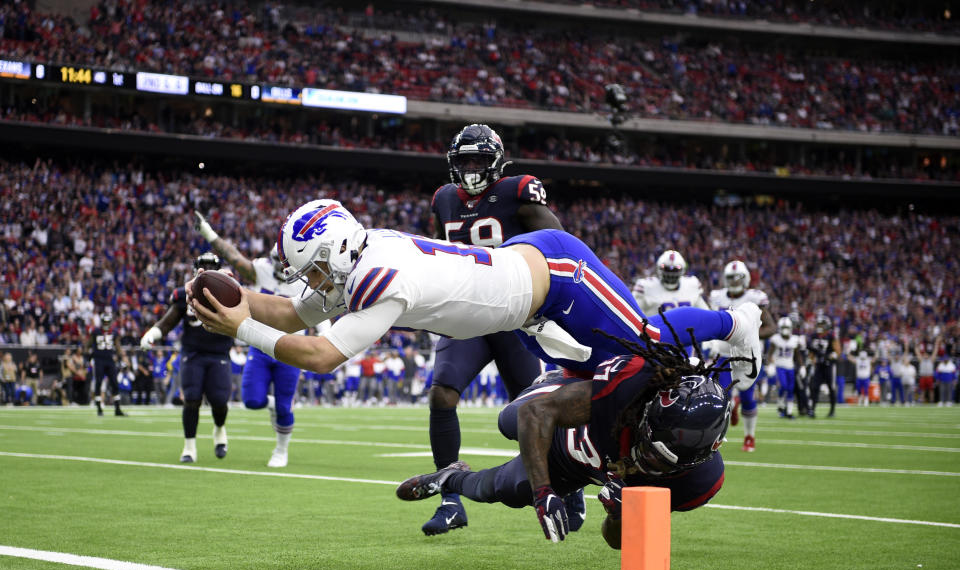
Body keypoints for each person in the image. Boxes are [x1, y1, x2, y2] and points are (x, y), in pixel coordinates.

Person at [188, 200, 763, 411]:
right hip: (526, 295)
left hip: (558, 276)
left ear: (336, 251)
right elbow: (290, 314)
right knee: (604, 384)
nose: (310, 281)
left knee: (644, 339)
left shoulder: (381, 277)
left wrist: (240, 327)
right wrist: (227, 302)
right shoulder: (359, 257)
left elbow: (318, 355)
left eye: (312, 267)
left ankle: (739, 323)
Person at [396, 329, 730, 546]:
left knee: (506, 490)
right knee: (509, 420)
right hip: (569, 421)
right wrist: (543, 494)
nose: (644, 458)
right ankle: (553, 384)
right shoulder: (631, 387)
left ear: (694, 460)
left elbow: (618, 542)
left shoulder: (698, 482)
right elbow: (535, 414)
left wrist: (619, 513)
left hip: (579, 466)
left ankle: (450, 479)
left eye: (658, 459)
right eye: (647, 441)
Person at [421, 123, 566, 536]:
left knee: (529, 412)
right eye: (463, 161)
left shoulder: (516, 190)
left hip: (511, 314)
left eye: (478, 160)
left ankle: (565, 487)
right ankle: (450, 499)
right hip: (465, 313)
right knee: (442, 393)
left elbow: (559, 241)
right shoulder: (444, 199)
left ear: (496, 163)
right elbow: (439, 254)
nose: (470, 169)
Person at [194, 210, 308, 468]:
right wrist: (208, 233)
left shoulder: (306, 281)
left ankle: (281, 449)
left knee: (285, 407)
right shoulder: (262, 271)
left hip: (292, 347)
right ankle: (273, 406)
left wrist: (325, 333)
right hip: (261, 344)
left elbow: (321, 312)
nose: (280, 269)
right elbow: (233, 257)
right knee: (252, 400)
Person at [140, 253, 234, 462]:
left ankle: (219, 429)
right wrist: (152, 333)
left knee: (219, 401)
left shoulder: (230, 293)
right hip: (193, 353)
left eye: (211, 268)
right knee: (191, 399)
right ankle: (189, 447)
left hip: (219, 352)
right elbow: (168, 321)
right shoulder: (186, 294)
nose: (207, 272)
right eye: (204, 267)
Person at [708, 261, 775, 452]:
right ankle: (717, 437)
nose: (735, 281)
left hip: (747, 355)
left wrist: (749, 334)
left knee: (747, 396)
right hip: (722, 354)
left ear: (745, 279)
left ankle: (749, 437)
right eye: (731, 278)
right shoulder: (717, 297)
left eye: (738, 278)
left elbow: (771, 327)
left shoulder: (755, 298)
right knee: (720, 397)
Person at [632, 249, 709, 316]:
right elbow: (634, 315)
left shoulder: (691, 285)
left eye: (675, 270)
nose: (671, 273)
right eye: (667, 269)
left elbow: (706, 315)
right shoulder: (646, 287)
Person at [87, 312, 125, 416]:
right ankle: (99, 408)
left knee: (114, 383)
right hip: (99, 360)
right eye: (105, 322)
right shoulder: (95, 331)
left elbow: (117, 346)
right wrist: (88, 357)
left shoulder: (114, 332)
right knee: (98, 383)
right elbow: (88, 344)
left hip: (109, 360)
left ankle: (117, 409)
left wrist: (120, 356)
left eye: (108, 322)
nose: (106, 324)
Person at [768, 316, 804, 420]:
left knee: (790, 389)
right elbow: (769, 354)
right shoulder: (776, 339)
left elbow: (797, 355)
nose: (785, 330)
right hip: (779, 366)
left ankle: (788, 411)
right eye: (783, 327)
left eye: (787, 327)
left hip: (790, 367)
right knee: (783, 386)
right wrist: (770, 364)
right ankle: (780, 404)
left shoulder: (795, 339)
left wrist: (802, 366)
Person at [806, 314, 840, 418]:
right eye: (819, 324)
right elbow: (811, 352)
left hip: (829, 365)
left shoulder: (831, 336)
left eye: (822, 324)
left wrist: (829, 357)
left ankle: (832, 411)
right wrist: (812, 360)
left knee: (831, 387)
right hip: (819, 365)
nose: (820, 326)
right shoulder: (814, 336)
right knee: (814, 387)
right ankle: (812, 409)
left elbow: (837, 351)